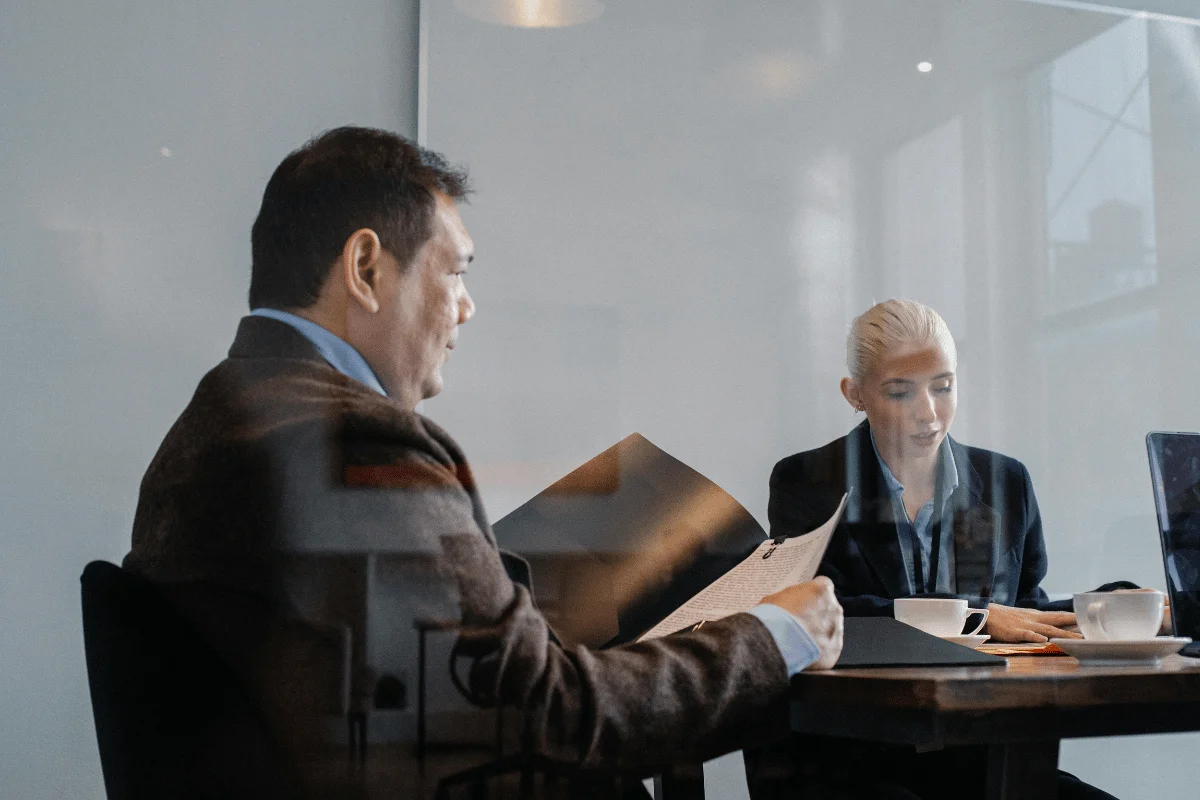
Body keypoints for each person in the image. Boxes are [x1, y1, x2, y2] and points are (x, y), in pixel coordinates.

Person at [122, 126, 843, 799]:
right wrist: (775, 634)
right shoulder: (357, 444)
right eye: (456, 272)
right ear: (366, 268)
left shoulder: (223, 417)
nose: (466, 308)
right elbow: (549, 719)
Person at [745, 299, 1120, 800]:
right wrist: (979, 617)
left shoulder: (1004, 481)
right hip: (853, 757)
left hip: (976, 748)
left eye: (943, 386)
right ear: (854, 394)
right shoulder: (807, 481)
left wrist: (1115, 608)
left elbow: (1024, 613)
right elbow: (821, 617)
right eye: (900, 392)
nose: (928, 413)